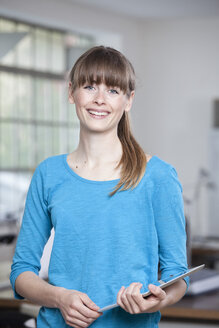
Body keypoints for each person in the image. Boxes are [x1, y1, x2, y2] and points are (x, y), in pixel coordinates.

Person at [10, 46, 189, 328]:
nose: (100, 100)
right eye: (90, 86)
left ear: (129, 100)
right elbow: (21, 272)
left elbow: (177, 275)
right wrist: (59, 298)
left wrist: (155, 300)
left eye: (114, 91)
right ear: (72, 93)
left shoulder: (158, 177)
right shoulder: (48, 173)